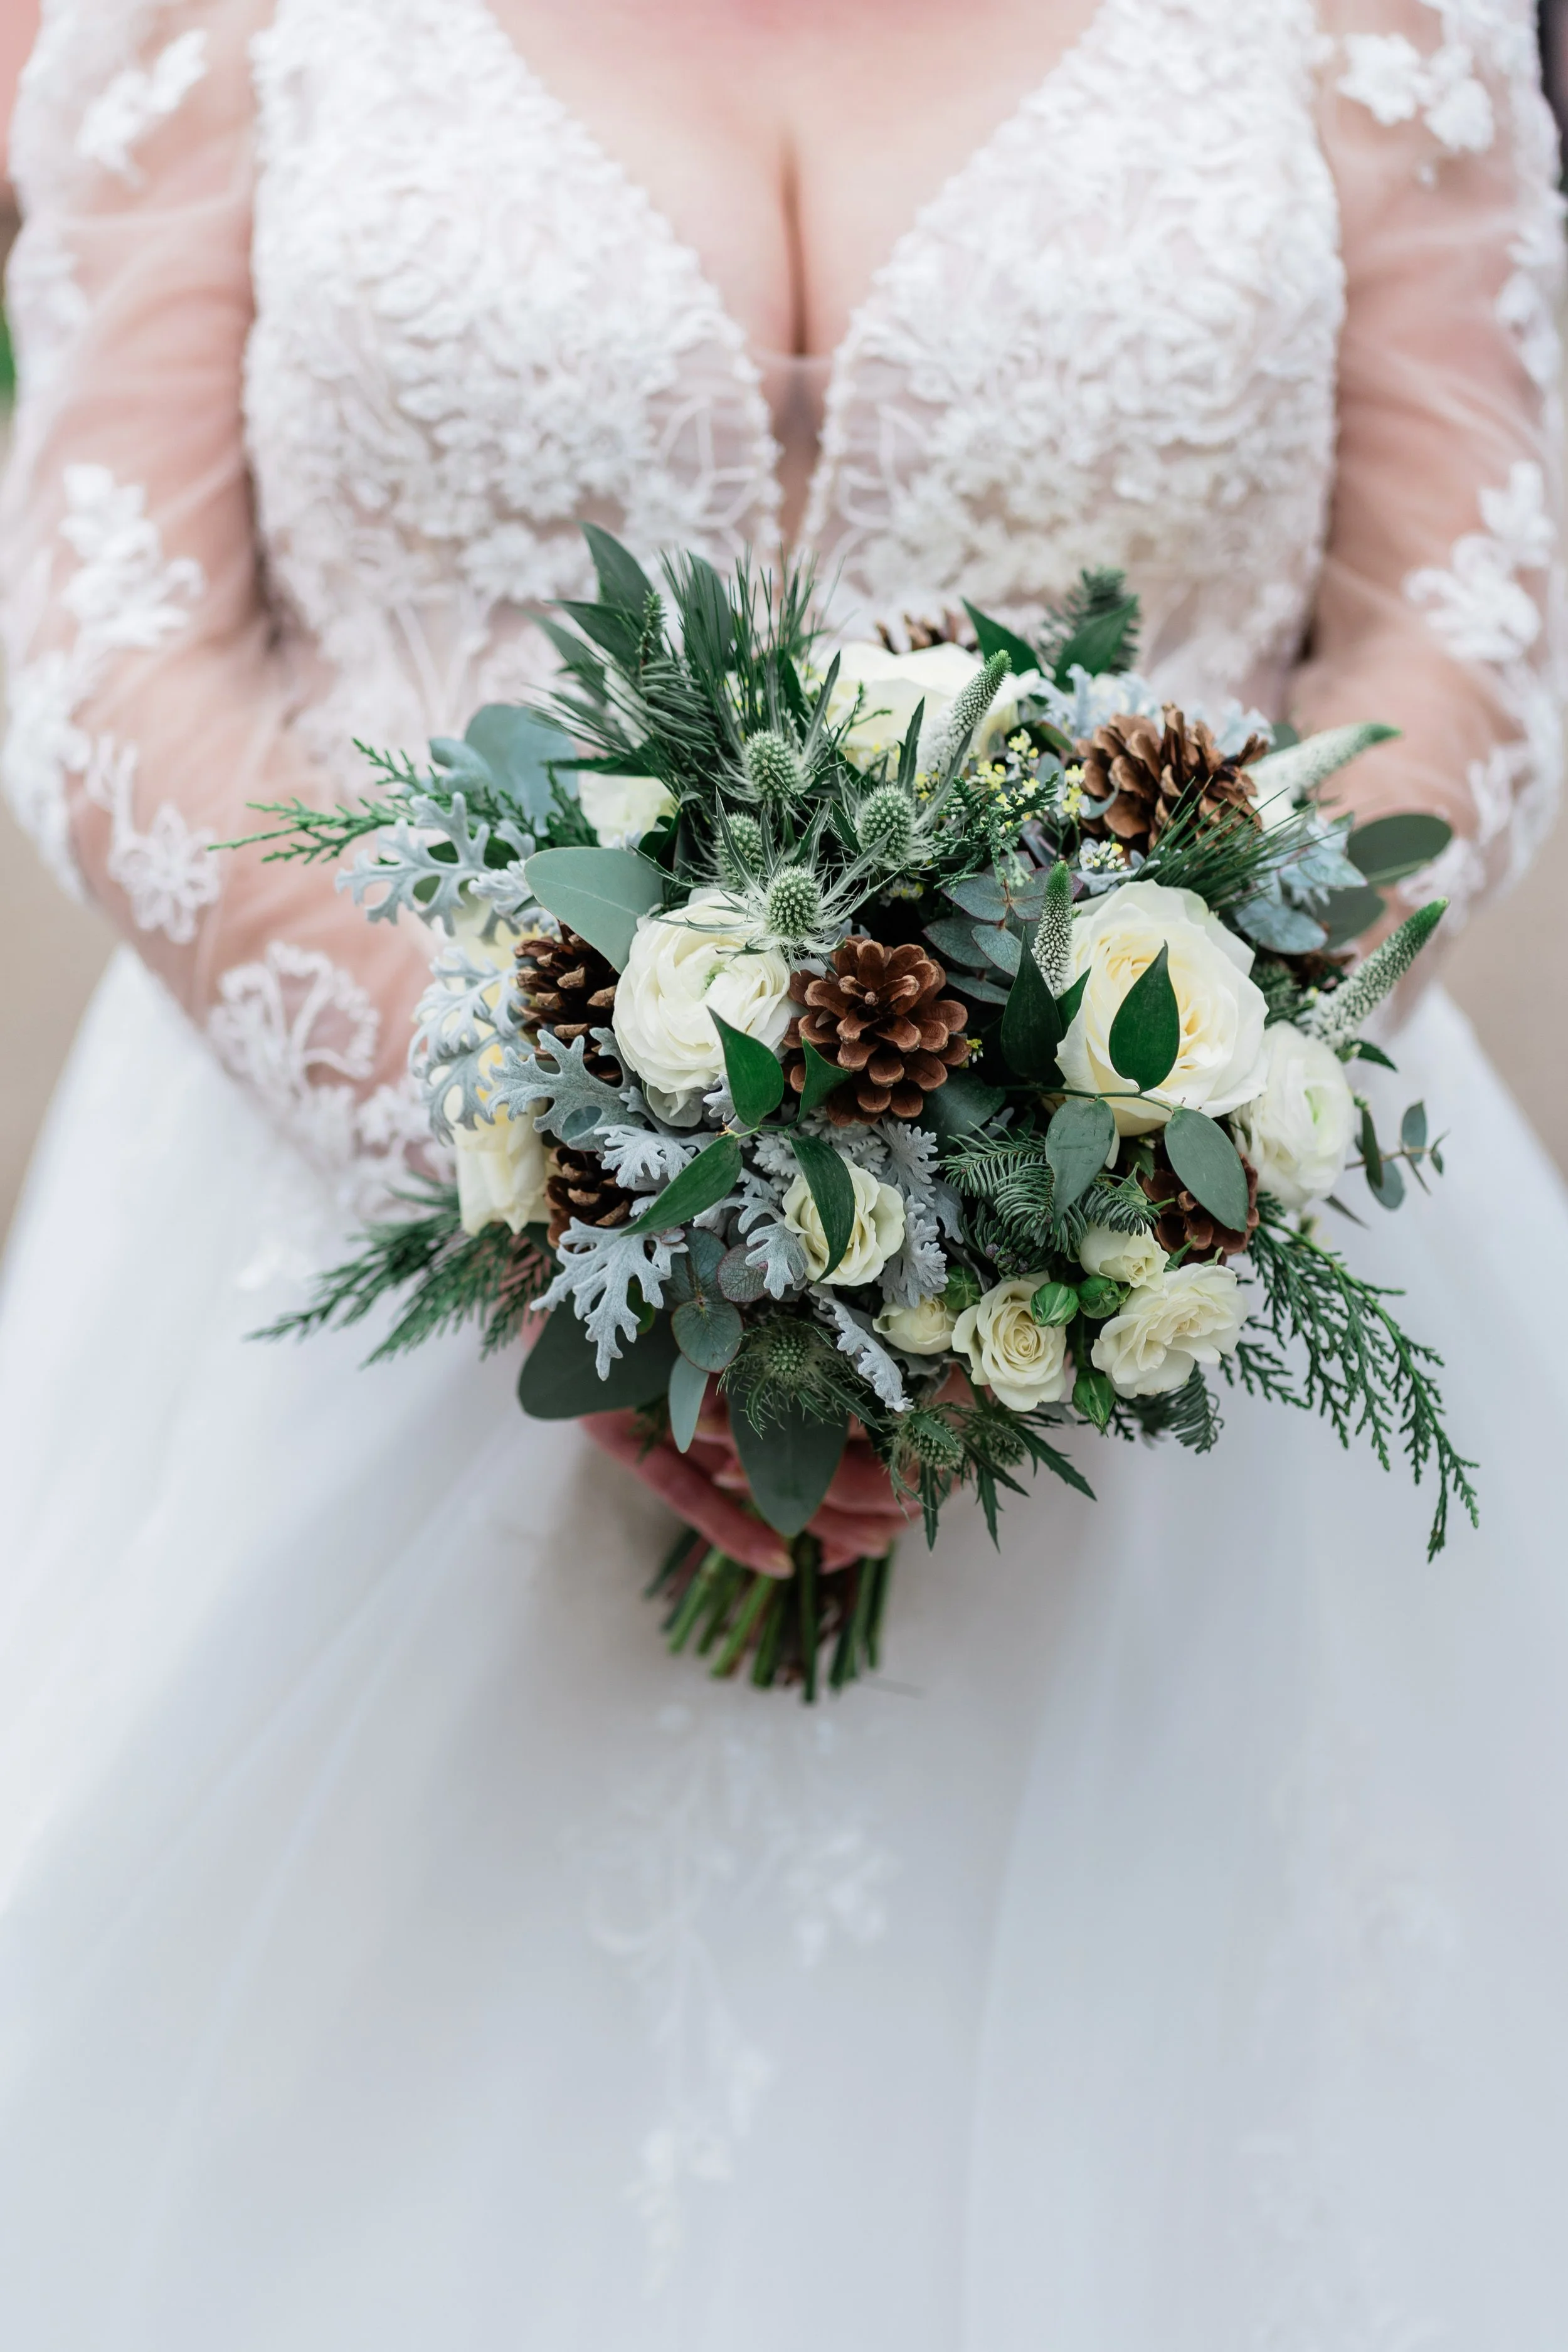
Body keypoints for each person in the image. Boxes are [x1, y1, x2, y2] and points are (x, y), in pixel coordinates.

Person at [1, 1, 1567, 2341]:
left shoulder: (1382, 25)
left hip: (1170, 1333)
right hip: (353, 1258)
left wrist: (1099, 1185)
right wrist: (544, 1189)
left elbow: (1458, 634)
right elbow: (112, 635)